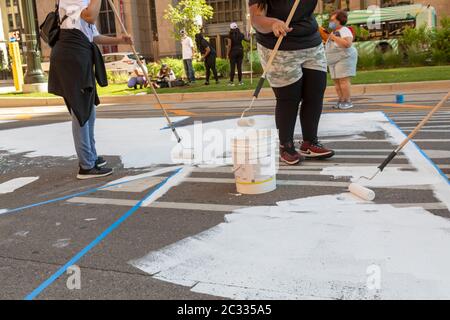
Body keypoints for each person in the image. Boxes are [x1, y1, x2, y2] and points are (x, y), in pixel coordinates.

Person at [48, 0, 132, 179]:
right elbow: (90, 17)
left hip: (79, 53)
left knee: (88, 110)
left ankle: (91, 157)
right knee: (81, 111)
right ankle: (86, 166)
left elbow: (92, 35)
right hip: (72, 54)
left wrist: (120, 40)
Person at [249, 0, 335, 165]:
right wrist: (273, 22)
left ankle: (309, 142)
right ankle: (286, 146)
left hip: (311, 41)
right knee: (289, 98)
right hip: (279, 45)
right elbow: (256, 19)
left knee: (315, 92)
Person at [325, 10, 358, 110]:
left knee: (343, 80)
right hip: (334, 59)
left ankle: (347, 101)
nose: (331, 22)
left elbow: (347, 44)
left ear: (339, 21)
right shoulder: (333, 32)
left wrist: (333, 37)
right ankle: (341, 100)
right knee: (336, 81)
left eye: (333, 20)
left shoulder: (344, 30)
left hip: (344, 58)